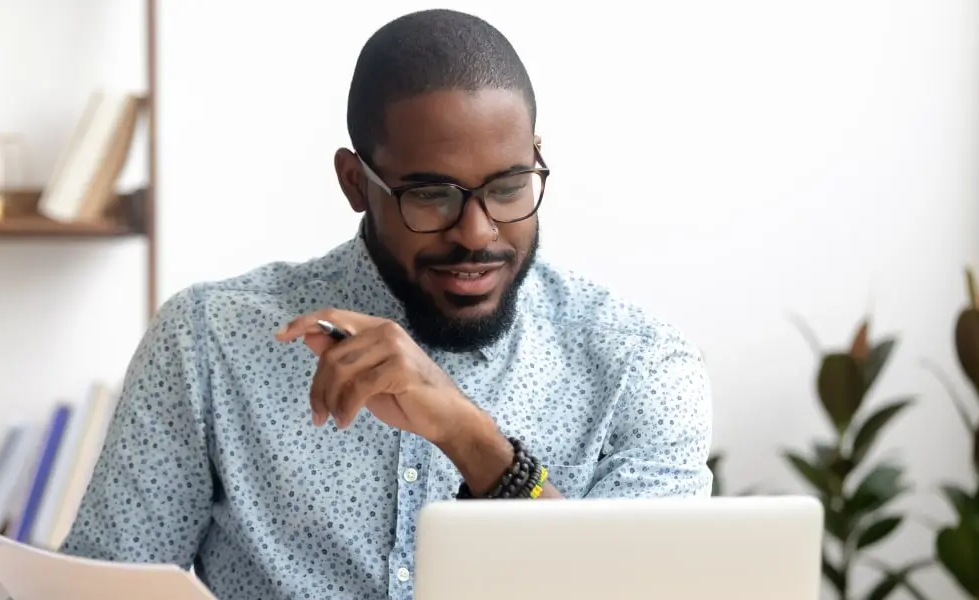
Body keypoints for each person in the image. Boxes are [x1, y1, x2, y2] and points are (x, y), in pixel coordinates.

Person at [58, 8, 712, 600]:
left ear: (536, 159)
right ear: (355, 183)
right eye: (432, 195)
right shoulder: (208, 342)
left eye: (509, 187)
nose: (477, 234)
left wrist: (470, 438)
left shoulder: (641, 368)